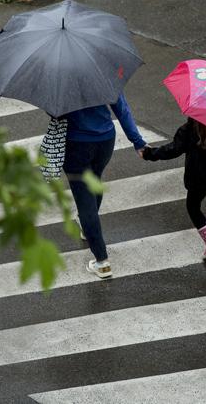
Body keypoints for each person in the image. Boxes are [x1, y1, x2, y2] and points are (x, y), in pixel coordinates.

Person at [59, 93, 147, 279]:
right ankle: (88, 228)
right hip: (105, 140)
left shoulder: (59, 81)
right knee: (95, 180)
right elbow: (121, 109)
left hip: (77, 143)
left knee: (84, 201)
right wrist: (137, 141)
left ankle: (102, 262)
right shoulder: (102, 72)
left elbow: (55, 112)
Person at [142, 118, 206, 262]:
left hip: (197, 179)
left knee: (193, 207)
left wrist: (149, 153)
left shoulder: (188, 129)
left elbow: (172, 150)